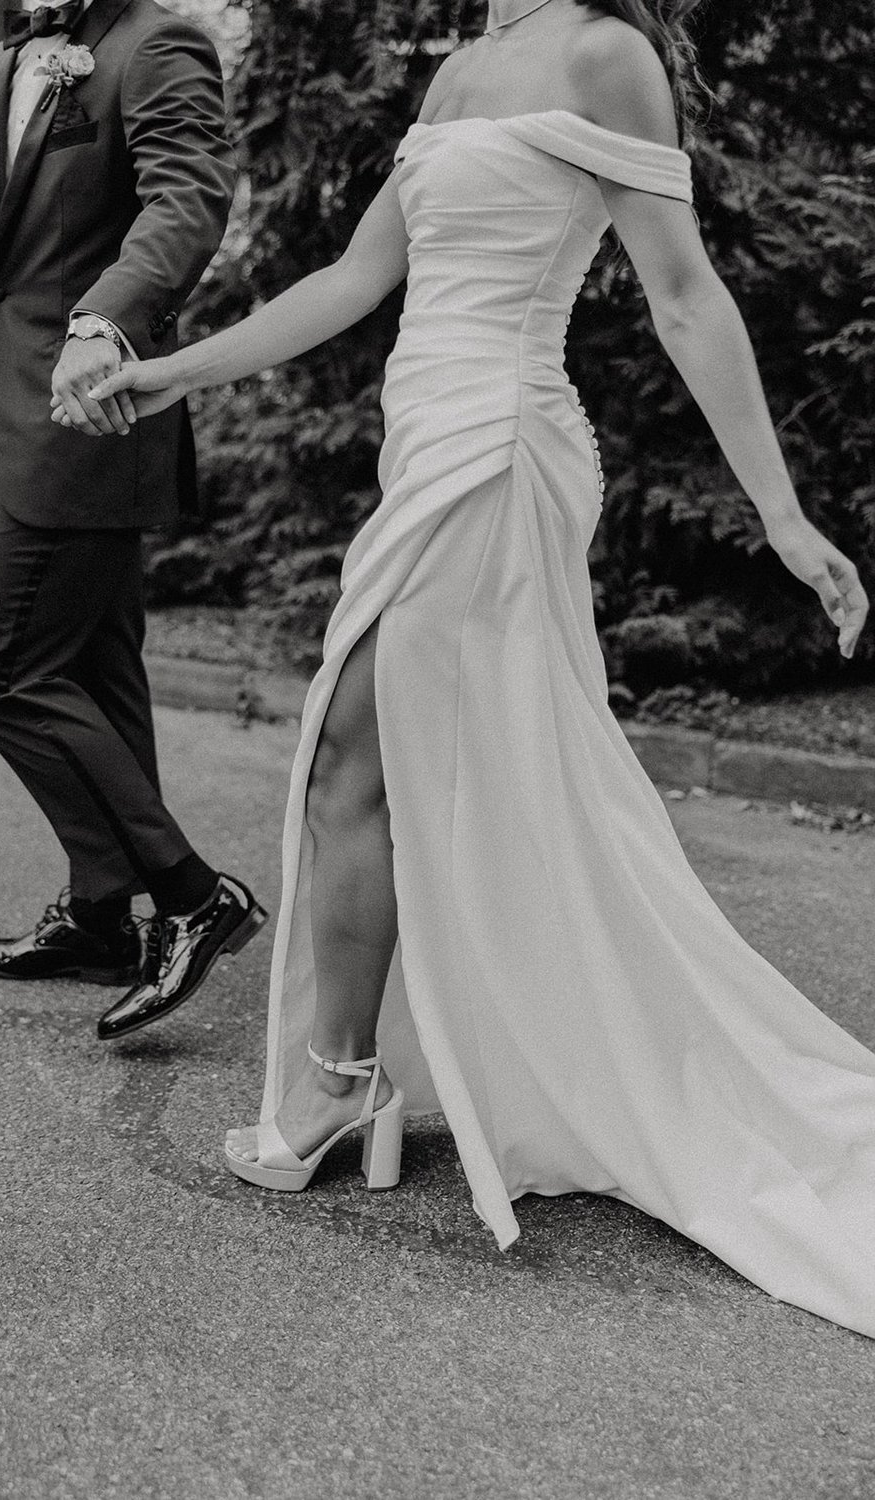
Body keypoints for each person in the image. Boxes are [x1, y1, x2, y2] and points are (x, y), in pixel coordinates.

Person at [85, 0, 875, 1337]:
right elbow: (352, 281)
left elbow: (683, 295)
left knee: (350, 752)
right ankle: (354, 1077)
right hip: (427, 444)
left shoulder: (600, 55)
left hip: (502, 450)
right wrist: (173, 373)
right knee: (361, 761)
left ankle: (342, 1083)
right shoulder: (459, 68)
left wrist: (785, 518)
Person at [0, 0, 267, 1041]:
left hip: (92, 407)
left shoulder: (157, 44)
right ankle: (104, 915)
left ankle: (191, 896)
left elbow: (186, 199)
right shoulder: (0, 60)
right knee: (96, 669)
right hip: (14, 409)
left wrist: (105, 318)